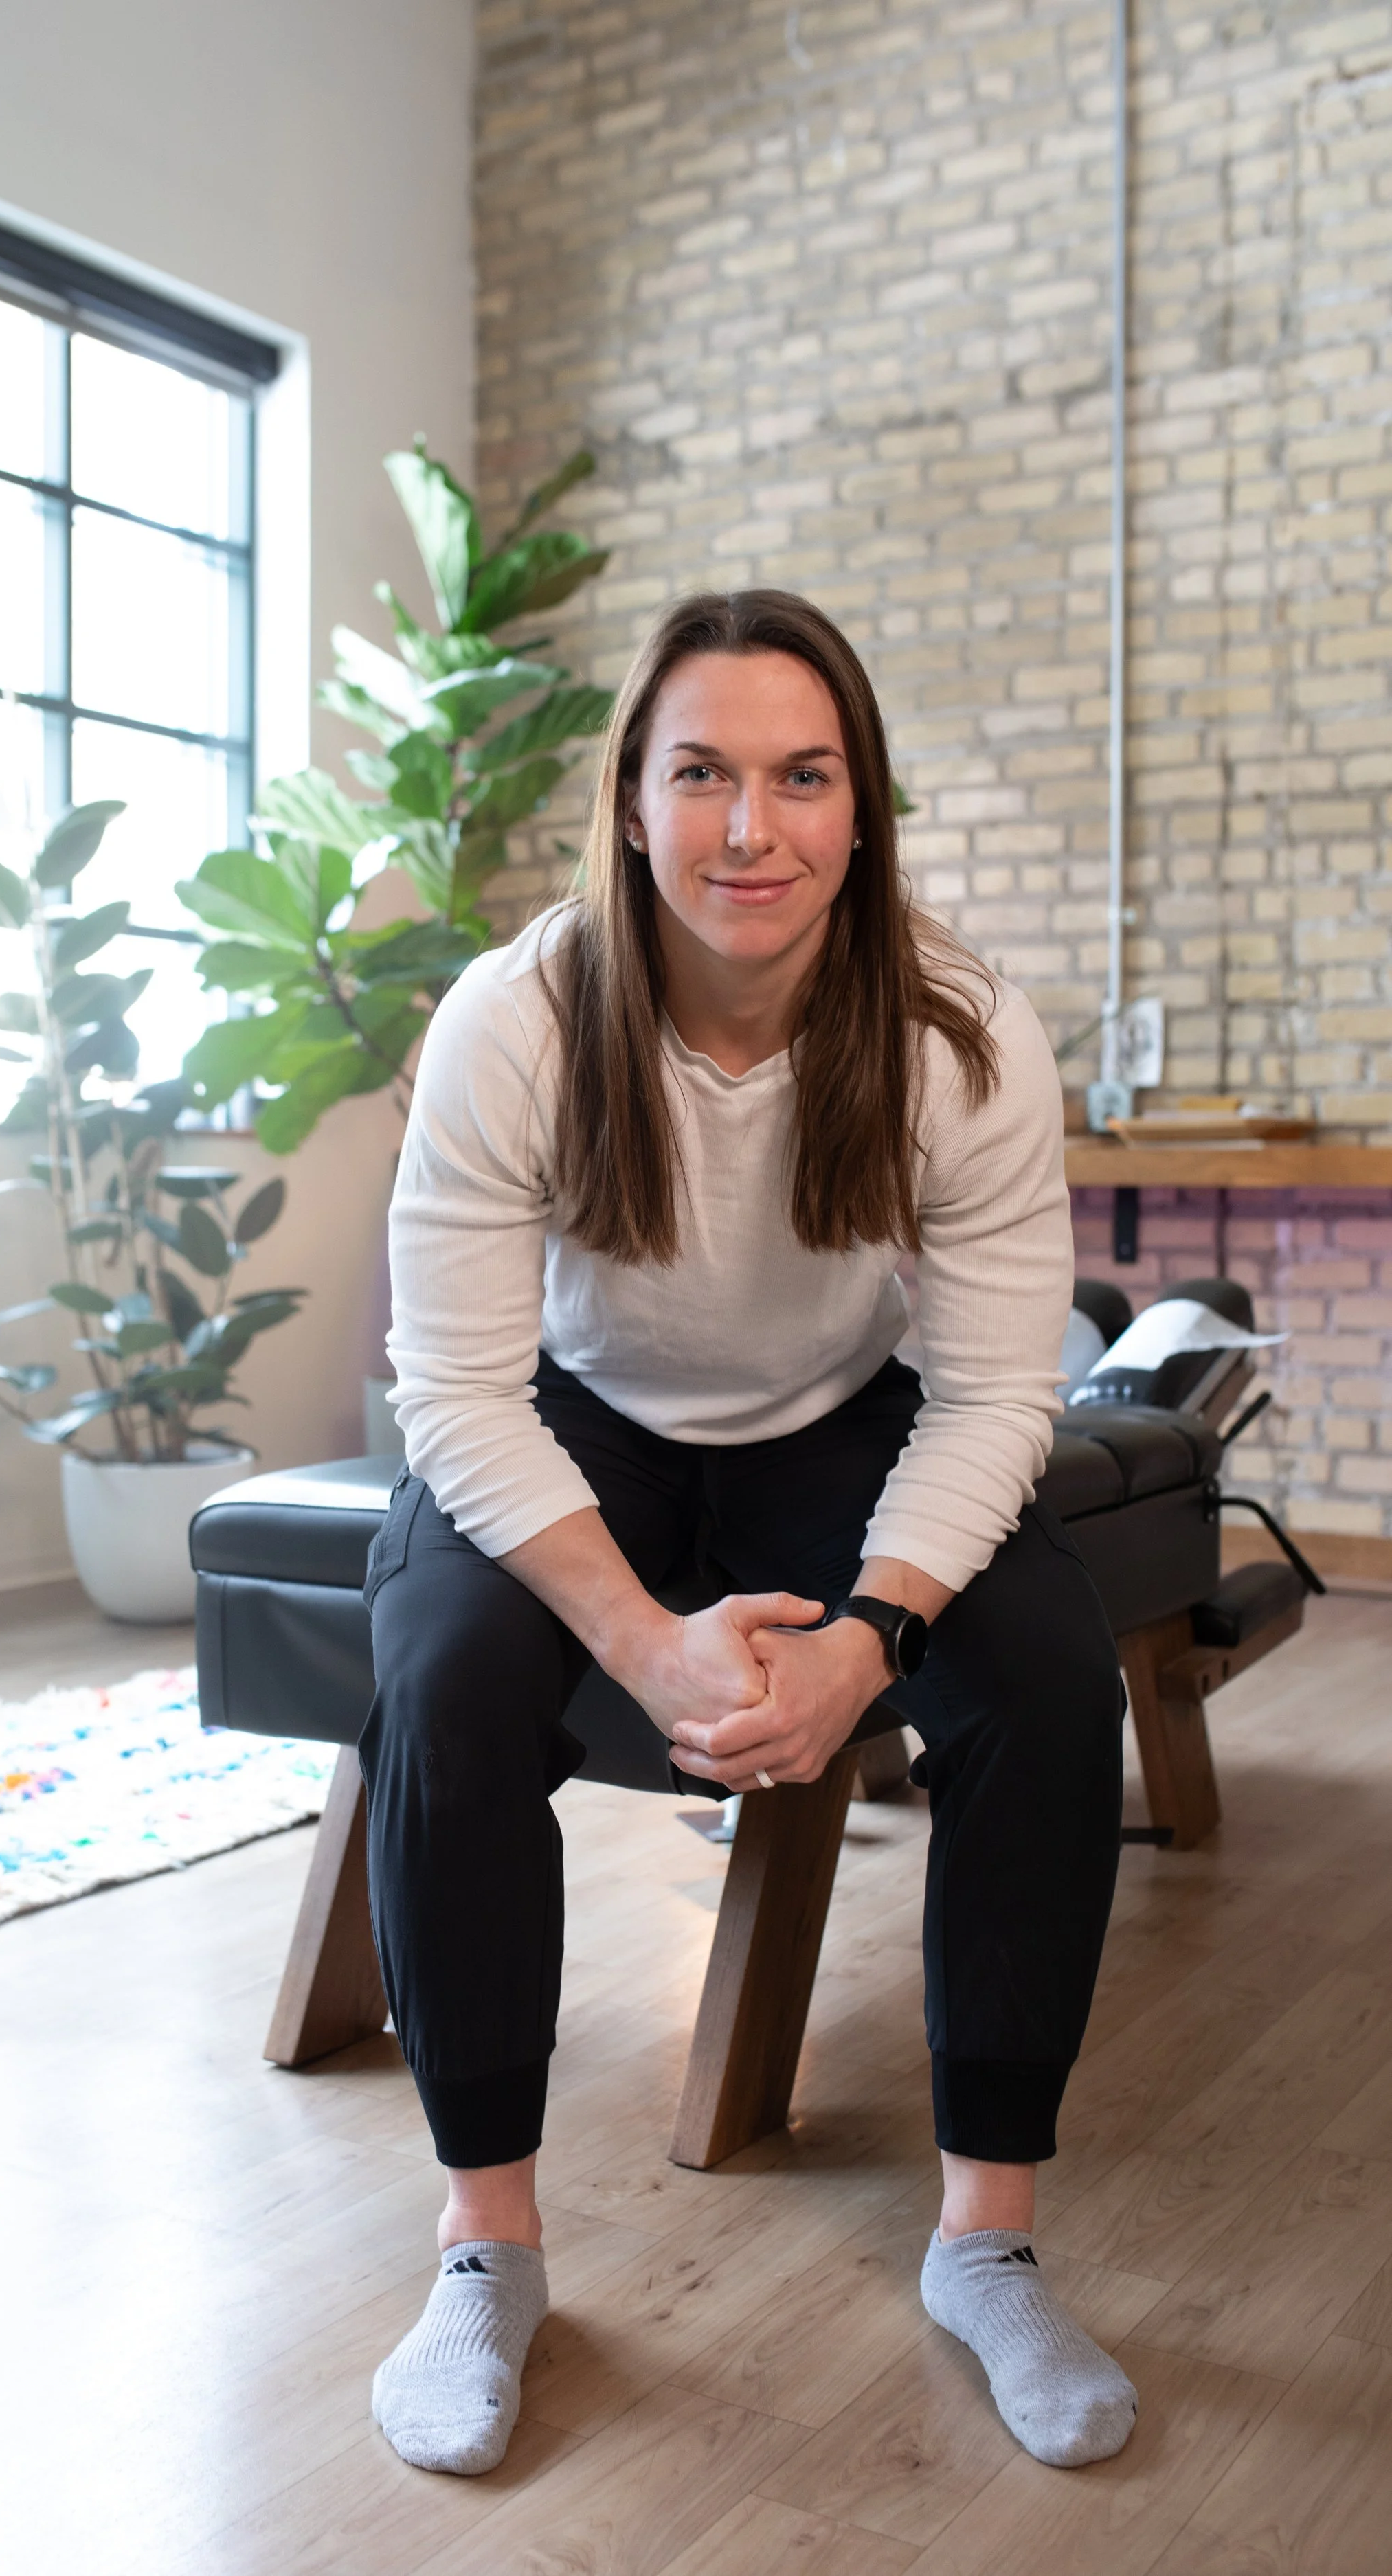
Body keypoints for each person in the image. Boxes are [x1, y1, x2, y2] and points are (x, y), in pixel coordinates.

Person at [358, 589, 1134, 2478]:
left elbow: (986, 1396)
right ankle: (485, 2244)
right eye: (699, 772)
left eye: (802, 777)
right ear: (630, 800)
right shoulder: (519, 1015)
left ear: (862, 810)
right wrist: (636, 1633)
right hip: (568, 1416)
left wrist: (871, 1633)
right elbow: (450, 1387)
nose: (748, 827)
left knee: (1037, 1661)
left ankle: (988, 2234)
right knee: (447, 1675)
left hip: (841, 1422)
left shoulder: (960, 1029)